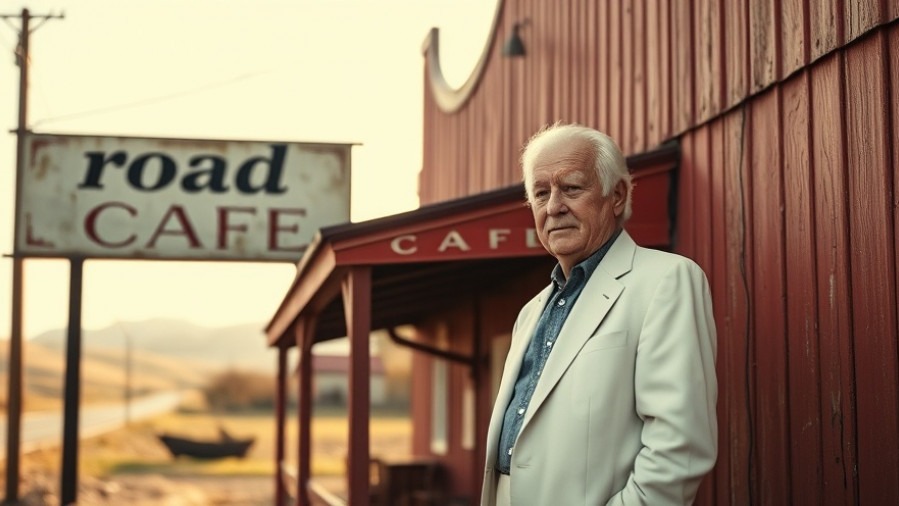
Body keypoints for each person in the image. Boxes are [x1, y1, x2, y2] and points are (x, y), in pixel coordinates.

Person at [480, 123, 718, 505]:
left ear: (617, 196)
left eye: (571, 187)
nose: (554, 206)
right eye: (541, 194)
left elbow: (680, 447)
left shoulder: (666, 281)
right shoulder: (530, 312)